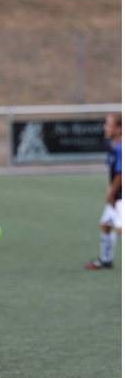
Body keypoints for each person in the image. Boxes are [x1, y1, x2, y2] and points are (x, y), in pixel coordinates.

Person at [85, 112, 122, 270]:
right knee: (106, 225)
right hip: (116, 194)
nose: (104, 127)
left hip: (120, 196)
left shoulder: (121, 149)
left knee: (121, 228)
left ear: (119, 129)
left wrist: (110, 193)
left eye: (109, 125)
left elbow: (121, 174)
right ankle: (105, 261)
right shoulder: (112, 146)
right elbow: (113, 172)